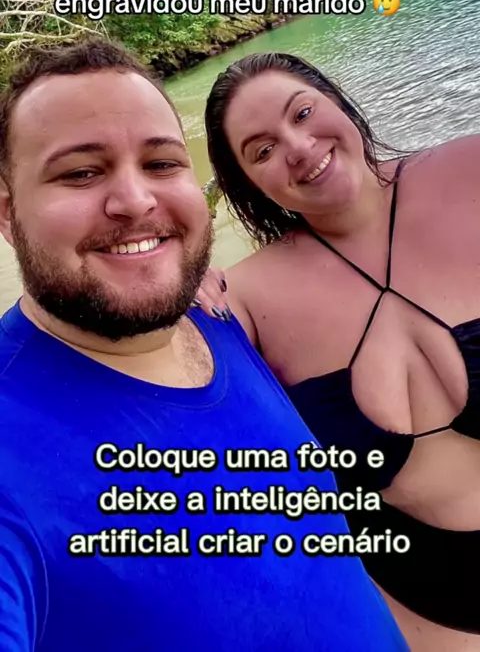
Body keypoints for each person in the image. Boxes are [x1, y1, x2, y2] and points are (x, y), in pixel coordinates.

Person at [0, 38, 409, 652]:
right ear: (9, 215)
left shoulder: (219, 320)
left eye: (162, 163)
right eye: (80, 172)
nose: (136, 201)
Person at [198, 51, 480, 652]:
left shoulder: (469, 172)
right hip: (426, 609)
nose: (298, 147)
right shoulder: (242, 298)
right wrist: (176, 273)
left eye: (302, 113)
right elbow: (152, 387)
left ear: (338, 102)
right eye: (262, 150)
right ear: (249, 184)